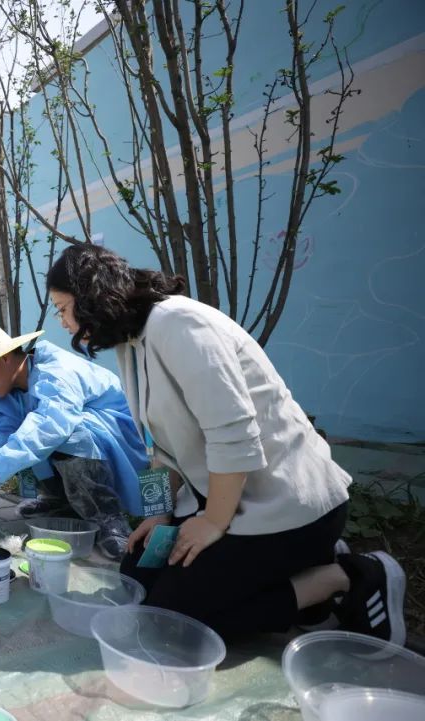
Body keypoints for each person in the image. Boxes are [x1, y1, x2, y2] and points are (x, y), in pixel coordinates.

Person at [44, 243, 406, 643]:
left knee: (171, 620)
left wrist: (212, 523)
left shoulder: (179, 323)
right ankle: (293, 576)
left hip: (286, 507)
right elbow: (161, 449)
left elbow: (232, 432)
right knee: (137, 575)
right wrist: (159, 514)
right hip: (226, 497)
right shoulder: (133, 345)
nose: (63, 322)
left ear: (91, 296)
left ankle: (344, 576)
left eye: (63, 307)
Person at [0, 322, 147, 559]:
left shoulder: (57, 369)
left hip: (116, 444)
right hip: (74, 443)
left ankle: (108, 516)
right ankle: (62, 500)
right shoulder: (3, 392)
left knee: (66, 433)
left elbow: (52, 423)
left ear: (5, 358)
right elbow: (0, 437)